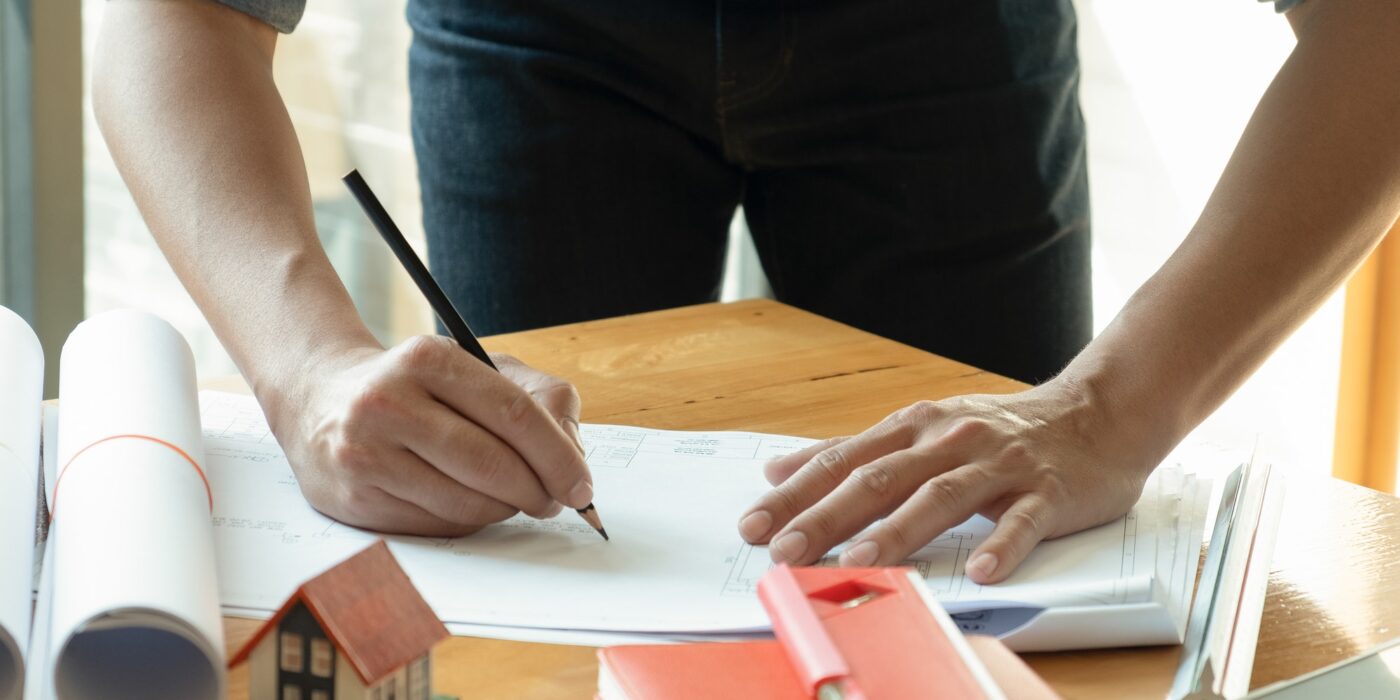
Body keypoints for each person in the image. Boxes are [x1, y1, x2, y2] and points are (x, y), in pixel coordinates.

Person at [93, 0, 1400, 585]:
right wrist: (305, 366)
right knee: (519, 546)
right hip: (536, 33)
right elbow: (172, 12)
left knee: (978, 582)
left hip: (948, 42)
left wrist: (1116, 408)